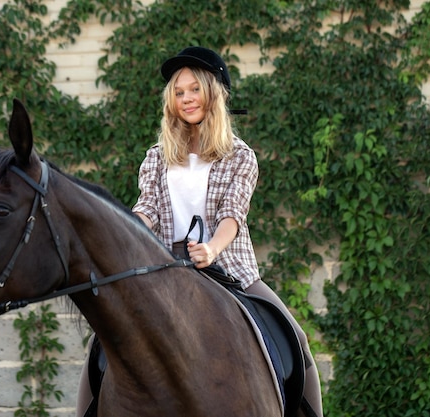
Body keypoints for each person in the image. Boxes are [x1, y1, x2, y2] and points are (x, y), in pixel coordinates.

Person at [77, 46, 323, 417]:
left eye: (194, 89)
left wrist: (211, 249)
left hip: (228, 268)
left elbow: (232, 214)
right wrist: (127, 238)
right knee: (101, 344)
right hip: (161, 269)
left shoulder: (240, 156)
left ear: (214, 92)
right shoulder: (156, 156)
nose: (187, 98)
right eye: (179, 92)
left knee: (298, 341)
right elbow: (146, 211)